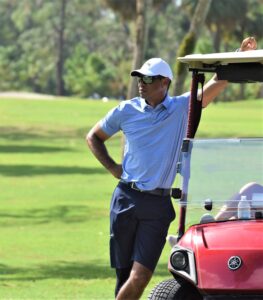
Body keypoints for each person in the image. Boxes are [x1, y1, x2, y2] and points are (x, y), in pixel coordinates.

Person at [86, 37, 257, 299]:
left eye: (148, 79)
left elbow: (216, 83)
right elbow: (93, 137)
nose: (141, 84)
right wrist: (113, 168)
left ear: (164, 82)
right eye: (139, 79)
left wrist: (240, 54)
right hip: (125, 198)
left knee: (141, 276)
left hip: (157, 204)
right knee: (123, 275)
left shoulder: (181, 108)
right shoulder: (126, 110)